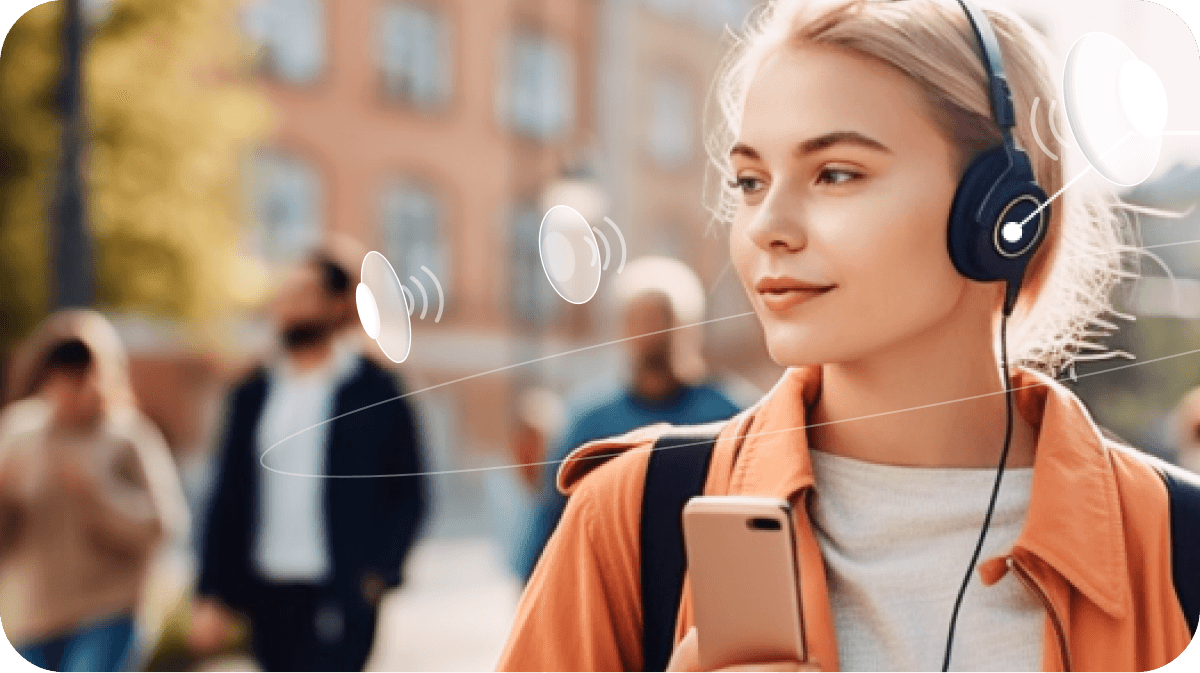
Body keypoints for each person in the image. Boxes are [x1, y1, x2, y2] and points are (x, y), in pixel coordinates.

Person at [496, 1, 1193, 671]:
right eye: (748, 180)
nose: (767, 225)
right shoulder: (630, 517)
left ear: (1001, 215)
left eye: (835, 173)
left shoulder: (1177, 543)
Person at [190, 239, 429, 672]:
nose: (287, 306)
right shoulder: (253, 392)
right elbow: (226, 494)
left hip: (342, 587)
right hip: (267, 588)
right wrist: (211, 592)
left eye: (303, 294)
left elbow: (409, 490)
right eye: (285, 294)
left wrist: (379, 573)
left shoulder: (376, 391)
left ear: (339, 304)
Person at [514, 257, 742, 583]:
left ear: (688, 327)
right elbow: (552, 519)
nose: (650, 332)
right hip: (611, 591)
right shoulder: (589, 422)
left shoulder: (733, 416)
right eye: (638, 320)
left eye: (661, 319)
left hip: (708, 592)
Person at [0, 310, 190, 672]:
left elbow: (163, 526)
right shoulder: (17, 434)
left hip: (107, 610)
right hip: (29, 616)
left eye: (81, 373)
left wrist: (96, 495)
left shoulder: (127, 437)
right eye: (60, 374)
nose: (70, 385)